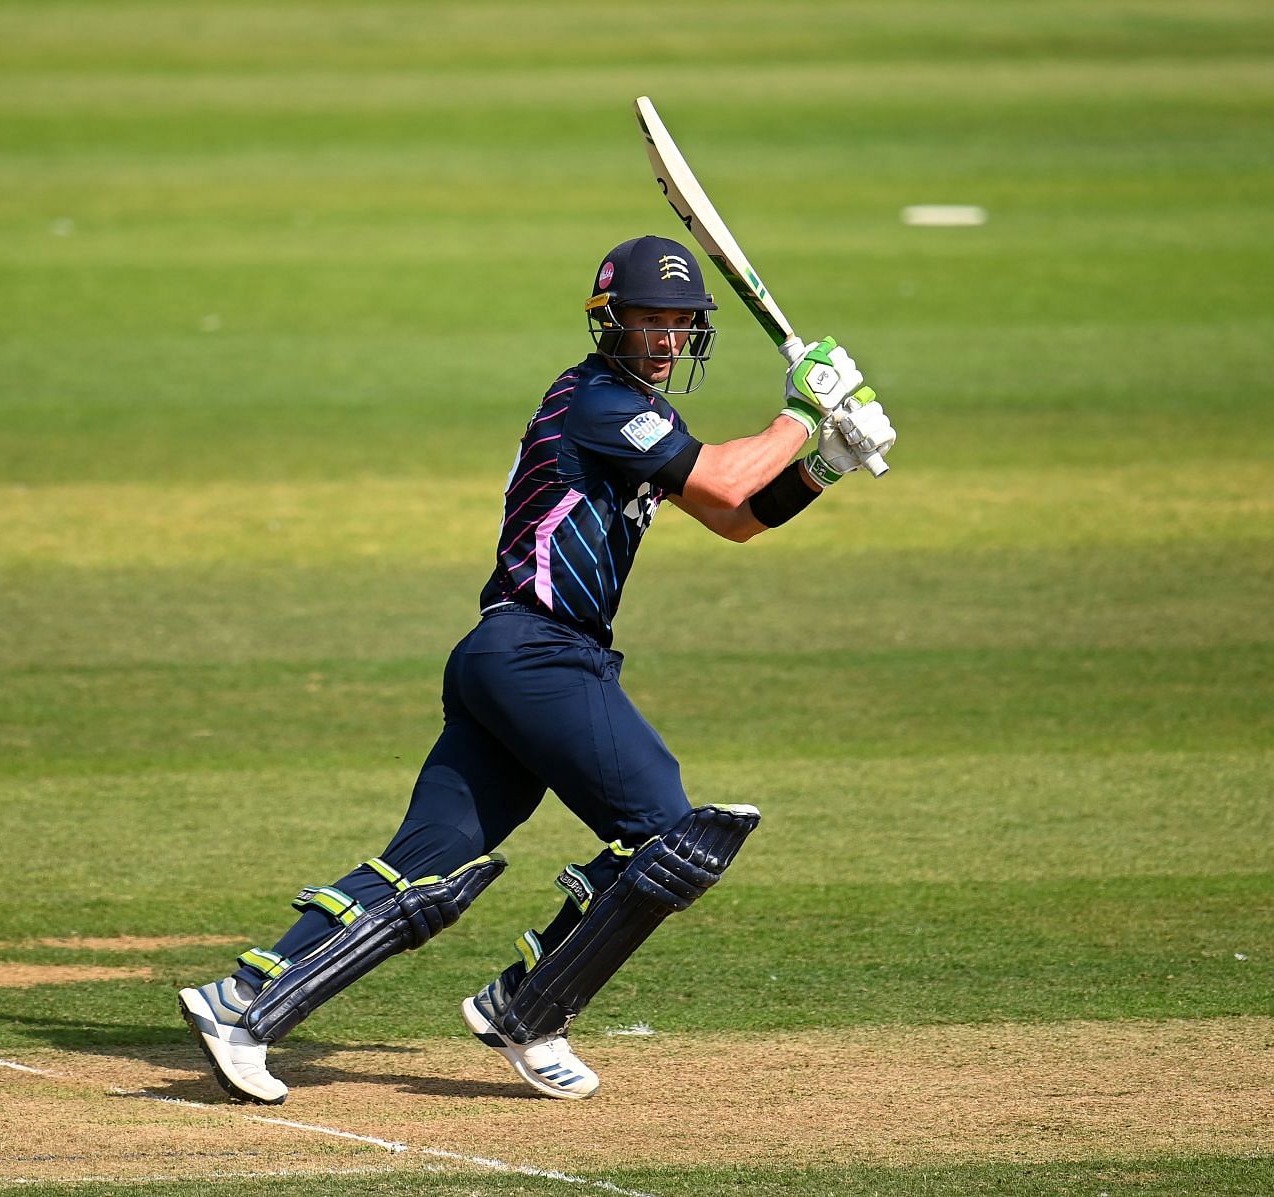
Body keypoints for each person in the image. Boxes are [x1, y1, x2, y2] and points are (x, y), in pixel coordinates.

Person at [178, 235, 897, 1105]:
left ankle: (242, 1001)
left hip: (510, 656)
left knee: (428, 866)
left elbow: (731, 516)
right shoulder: (597, 397)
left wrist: (826, 464)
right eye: (648, 320)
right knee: (669, 833)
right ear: (609, 323)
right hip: (540, 653)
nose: (666, 338)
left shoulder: (638, 412)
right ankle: (528, 1007)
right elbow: (720, 473)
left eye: (680, 323)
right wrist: (802, 414)